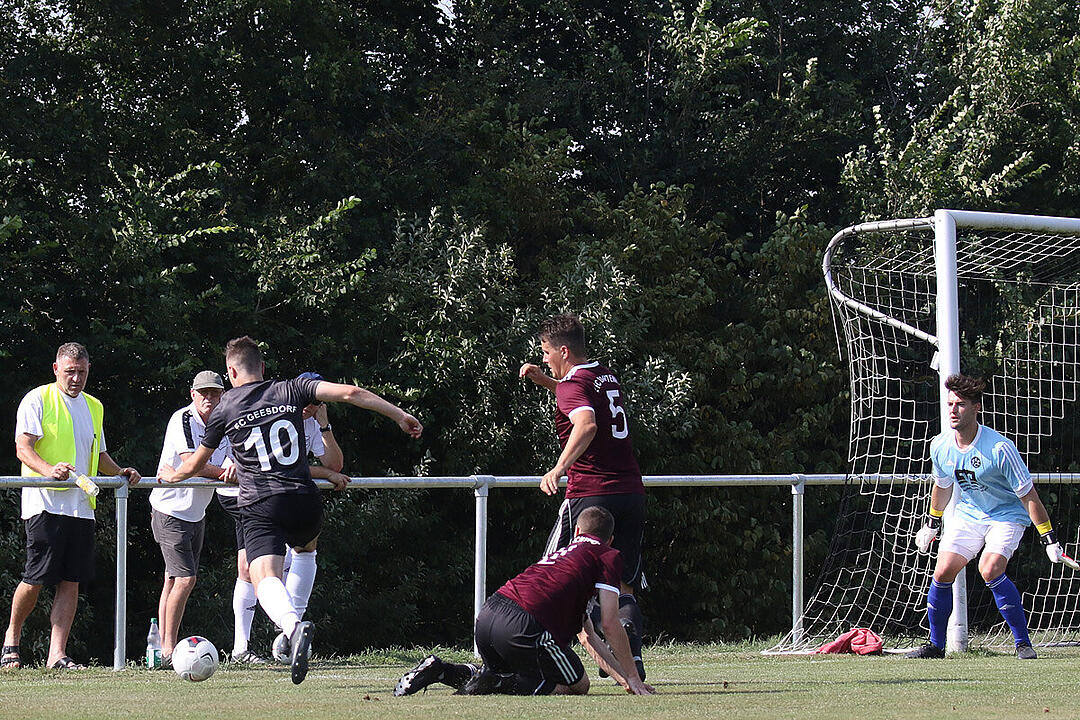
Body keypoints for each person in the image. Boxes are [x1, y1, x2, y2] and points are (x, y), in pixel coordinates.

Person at [160, 336, 421, 684]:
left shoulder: (224, 408)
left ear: (231, 372)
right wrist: (399, 414)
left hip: (261, 504)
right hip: (304, 498)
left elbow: (195, 464)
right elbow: (351, 394)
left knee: (262, 575)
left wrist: (171, 476)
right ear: (263, 368)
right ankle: (288, 635)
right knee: (305, 550)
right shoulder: (291, 389)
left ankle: (292, 627)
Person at [394, 506, 655, 696]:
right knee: (577, 685)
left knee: (502, 671)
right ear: (610, 540)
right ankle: (496, 685)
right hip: (525, 623)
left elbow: (587, 637)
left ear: (576, 531)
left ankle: (441, 670)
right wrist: (633, 676)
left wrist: (624, 680)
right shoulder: (607, 555)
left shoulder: (562, 556)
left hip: (489, 614)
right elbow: (609, 622)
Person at [518, 314, 648, 679]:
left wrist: (558, 468)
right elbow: (576, 393)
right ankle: (631, 659)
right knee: (623, 584)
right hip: (630, 493)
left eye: (545, 352)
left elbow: (587, 423)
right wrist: (546, 381)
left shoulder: (573, 384)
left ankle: (538, 661)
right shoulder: (604, 375)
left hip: (592, 495)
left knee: (549, 577)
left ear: (562, 350)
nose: (544, 358)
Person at [908, 374, 1072, 660]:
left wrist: (1050, 540)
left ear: (976, 408)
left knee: (990, 568)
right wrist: (931, 524)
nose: (953, 410)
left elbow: (1029, 497)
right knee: (943, 571)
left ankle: (1023, 644)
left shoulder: (999, 449)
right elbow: (942, 487)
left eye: (960, 404)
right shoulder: (940, 446)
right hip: (969, 514)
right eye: (950, 404)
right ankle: (936, 646)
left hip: (1006, 516)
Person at [3, 342, 141, 670]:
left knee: (72, 580)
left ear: (88, 370)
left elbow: (100, 455)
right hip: (45, 503)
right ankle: (11, 638)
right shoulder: (38, 399)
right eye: (69, 372)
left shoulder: (94, 406)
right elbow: (24, 448)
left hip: (81, 506)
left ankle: (57, 655)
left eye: (81, 372)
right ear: (56, 370)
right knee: (35, 577)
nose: (75, 378)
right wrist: (48, 470)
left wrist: (120, 472)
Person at [150, 370, 232, 665]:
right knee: (185, 579)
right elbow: (191, 464)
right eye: (204, 393)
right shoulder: (182, 419)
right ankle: (170, 652)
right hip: (170, 510)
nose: (209, 398)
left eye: (215, 393)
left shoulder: (225, 422)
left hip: (197, 512)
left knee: (173, 580)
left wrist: (231, 468)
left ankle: (161, 650)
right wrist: (224, 473)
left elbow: (236, 460)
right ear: (192, 394)